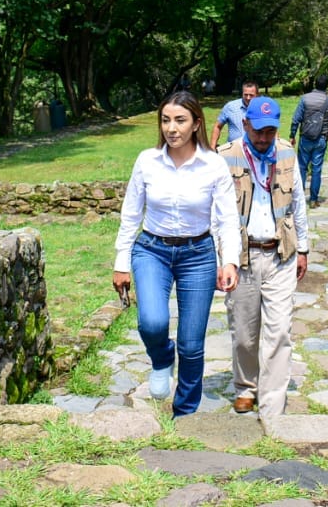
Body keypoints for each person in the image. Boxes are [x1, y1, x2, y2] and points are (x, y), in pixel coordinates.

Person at [113, 91, 241, 416]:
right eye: (166, 120)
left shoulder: (213, 165)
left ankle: (184, 412)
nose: (172, 128)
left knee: (192, 344)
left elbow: (227, 219)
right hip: (152, 250)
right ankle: (161, 358)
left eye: (180, 120)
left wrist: (229, 261)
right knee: (152, 322)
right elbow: (131, 214)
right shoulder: (147, 161)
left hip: (197, 254)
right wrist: (121, 262)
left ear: (196, 123)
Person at [217, 96, 309, 415]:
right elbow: (215, 214)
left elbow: (297, 202)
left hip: (280, 253)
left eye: (270, 131)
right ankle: (246, 386)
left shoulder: (286, 153)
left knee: (279, 329)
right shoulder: (224, 157)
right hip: (242, 257)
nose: (263, 137)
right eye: (258, 130)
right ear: (245, 125)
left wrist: (304, 248)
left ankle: (272, 401)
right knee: (244, 332)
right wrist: (221, 259)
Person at [289, 73, 328, 208]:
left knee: (302, 168)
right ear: (327, 86)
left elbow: (295, 119)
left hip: (305, 137)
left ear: (315, 84)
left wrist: (292, 135)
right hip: (321, 138)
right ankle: (314, 200)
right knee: (316, 169)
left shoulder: (305, 99)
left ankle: (299, 198)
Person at [212, 80, 259, 146]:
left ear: (257, 95)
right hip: (233, 150)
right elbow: (217, 126)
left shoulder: (262, 109)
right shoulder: (230, 106)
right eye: (245, 95)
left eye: (251, 95)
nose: (248, 98)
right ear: (242, 93)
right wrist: (212, 146)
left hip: (255, 150)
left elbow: (272, 129)